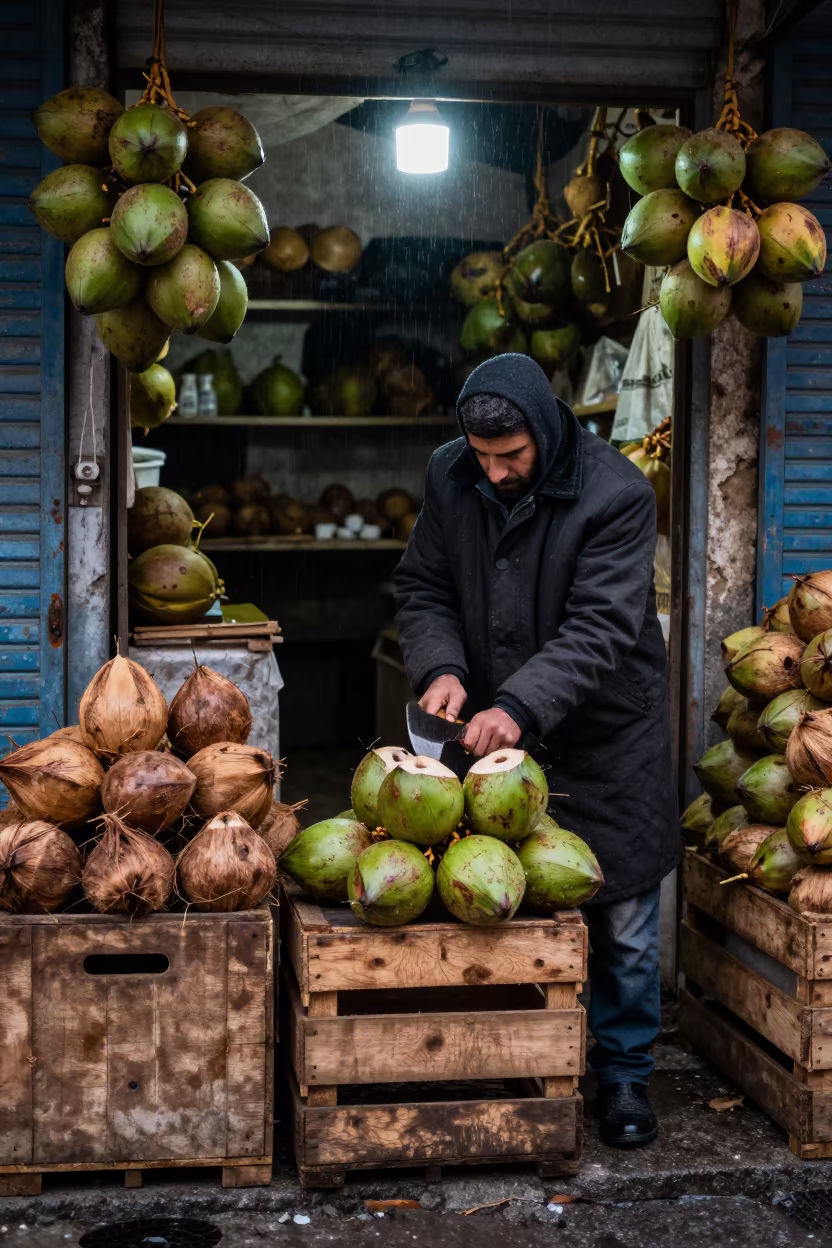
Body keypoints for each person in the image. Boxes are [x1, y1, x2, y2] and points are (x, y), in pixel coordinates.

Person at [394, 352, 678, 1149]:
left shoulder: (616, 492)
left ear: (544, 433)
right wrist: (442, 667)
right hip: (493, 731)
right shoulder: (452, 476)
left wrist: (520, 703)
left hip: (603, 731)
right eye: (483, 457)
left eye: (511, 457)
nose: (496, 472)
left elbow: (601, 627)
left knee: (619, 911)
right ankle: (524, 1057)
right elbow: (424, 587)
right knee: (502, 900)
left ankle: (624, 1073)